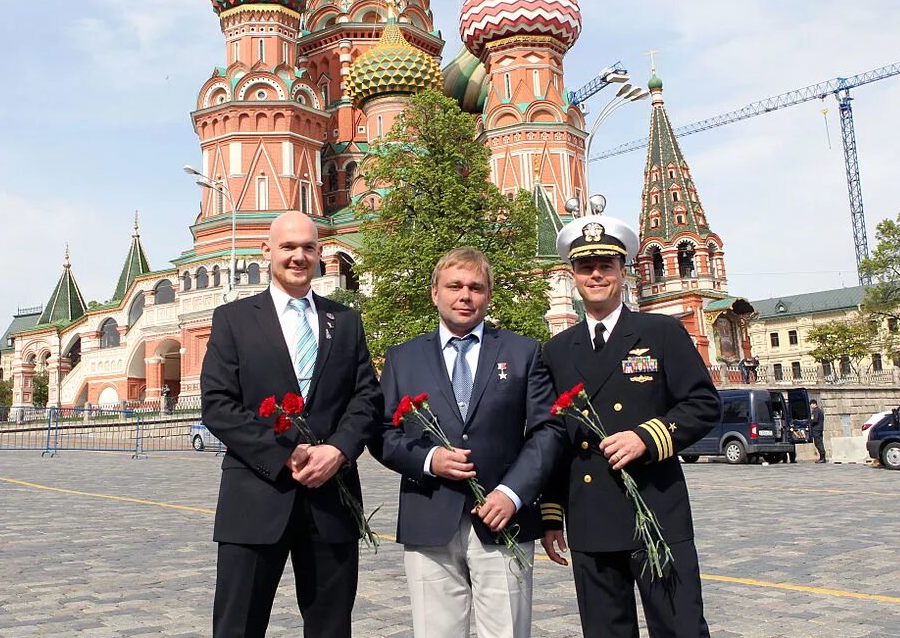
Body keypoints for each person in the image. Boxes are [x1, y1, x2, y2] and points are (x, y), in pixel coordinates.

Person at [201, 211, 383, 638]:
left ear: (320, 254)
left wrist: (338, 450)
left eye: (308, 247)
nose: (299, 257)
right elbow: (217, 404)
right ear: (267, 251)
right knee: (238, 626)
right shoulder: (235, 320)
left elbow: (366, 397)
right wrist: (286, 453)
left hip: (331, 500)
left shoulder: (347, 320)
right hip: (255, 499)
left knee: (331, 627)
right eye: (288, 247)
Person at [539, 215, 721, 637]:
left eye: (607, 265)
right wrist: (551, 516)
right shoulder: (557, 350)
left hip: (656, 511)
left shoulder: (660, 332)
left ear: (624, 272)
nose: (597, 275)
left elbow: (703, 404)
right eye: (586, 267)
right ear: (574, 275)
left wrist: (646, 437)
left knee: (680, 628)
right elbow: (554, 437)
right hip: (590, 517)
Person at [377, 247, 562, 638]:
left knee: (507, 631)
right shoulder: (402, 358)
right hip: (429, 517)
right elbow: (381, 433)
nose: (465, 295)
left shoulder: (523, 352)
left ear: (488, 296)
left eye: (476, 287)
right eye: (455, 286)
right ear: (435, 293)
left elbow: (548, 431)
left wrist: (512, 493)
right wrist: (428, 460)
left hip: (503, 518)